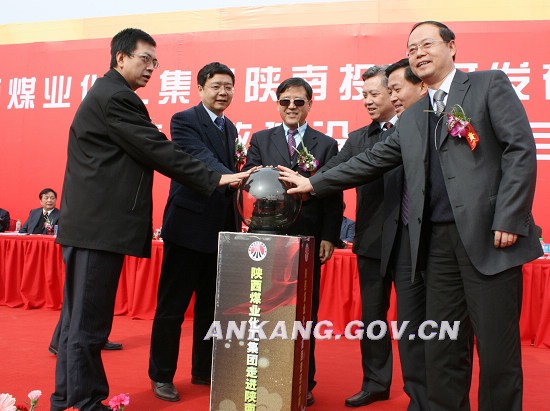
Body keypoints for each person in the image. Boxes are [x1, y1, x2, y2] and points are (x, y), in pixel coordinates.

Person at [279, 20, 542, 411]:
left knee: (496, 351)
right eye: (411, 48)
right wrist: (313, 184)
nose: (418, 53)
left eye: (426, 44)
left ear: (452, 46)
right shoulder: (416, 116)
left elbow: (519, 149)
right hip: (435, 246)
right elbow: (370, 160)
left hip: (489, 237)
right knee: (442, 347)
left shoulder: (487, 85)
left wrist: (509, 215)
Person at [51, 29, 248, 411]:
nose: (151, 68)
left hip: (93, 227)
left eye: (155, 62)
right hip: (98, 228)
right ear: (121, 57)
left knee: (80, 323)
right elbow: (157, 149)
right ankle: (85, 402)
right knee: (88, 325)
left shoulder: (109, 94)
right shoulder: (117, 98)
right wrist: (216, 178)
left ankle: (66, 399)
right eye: (145, 59)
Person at [243, 77, 343, 407]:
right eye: (285, 101)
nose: (291, 107)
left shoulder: (325, 144)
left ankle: (303, 379)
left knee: (303, 312)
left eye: (298, 102)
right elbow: (248, 180)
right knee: (264, 309)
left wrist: (329, 236)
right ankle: (262, 376)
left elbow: (333, 195)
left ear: (309, 104)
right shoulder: (261, 139)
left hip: (308, 239)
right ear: (277, 104)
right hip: (266, 236)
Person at [148, 62, 243, 403]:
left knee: (211, 307)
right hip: (188, 229)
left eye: (228, 87)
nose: (223, 92)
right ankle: (161, 375)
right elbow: (199, 157)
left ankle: (203, 369)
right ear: (201, 88)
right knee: (172, 307)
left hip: (221, 231)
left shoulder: (230, 127)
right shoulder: (184, 120)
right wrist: (231, 177)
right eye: (216, 86)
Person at [322, 66, 397, 408]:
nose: (367, 101)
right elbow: (332, 172)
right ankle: (376, 382)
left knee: (419, 320)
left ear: (394, 92)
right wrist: (300, 182)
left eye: (373, 94)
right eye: (363, 94)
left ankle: (423, 388)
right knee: (372, 319)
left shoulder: (416, 129)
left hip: (413, 242)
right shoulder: (357, 139)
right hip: (372, 243)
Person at [378, 58, 429, 410]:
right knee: (410, 328)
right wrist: (314, 182)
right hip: (407, 243)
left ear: (421, 86)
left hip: (447, 242)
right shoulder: (398, 131)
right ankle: (419, 400)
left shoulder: (453, 120)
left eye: (396, 89)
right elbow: (364, 163)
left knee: (447, 331)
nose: (391, 97)